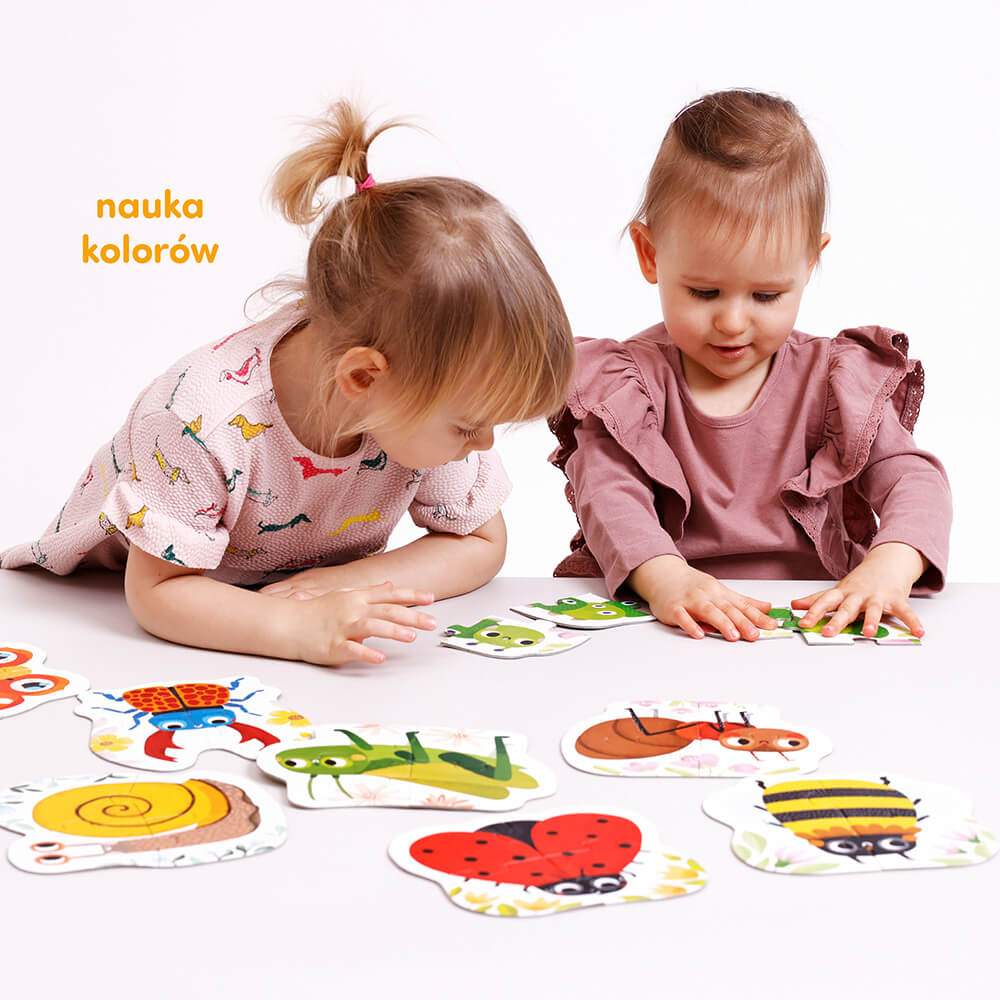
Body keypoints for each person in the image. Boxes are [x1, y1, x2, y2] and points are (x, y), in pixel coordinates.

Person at [2, 101, 575, 666]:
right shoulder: (198, 423)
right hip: (84, 611)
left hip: (246, 594)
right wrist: (295, 627)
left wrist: (345, 583)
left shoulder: (415, 397)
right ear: (363, 376)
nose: (484, 443)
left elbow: (478, 541)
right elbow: (157, 592)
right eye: (470, 425)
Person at [549, 89, 950, 642]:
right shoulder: (626, 385)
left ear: (809, 263)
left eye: (765, 295)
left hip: (813, 623)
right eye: (705, 291)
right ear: (650, 254)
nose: (733, 322)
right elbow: (608, 492)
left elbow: (913, 479)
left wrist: (890, 565)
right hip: (663, 620)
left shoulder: (834, 380)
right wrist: (667, 579)